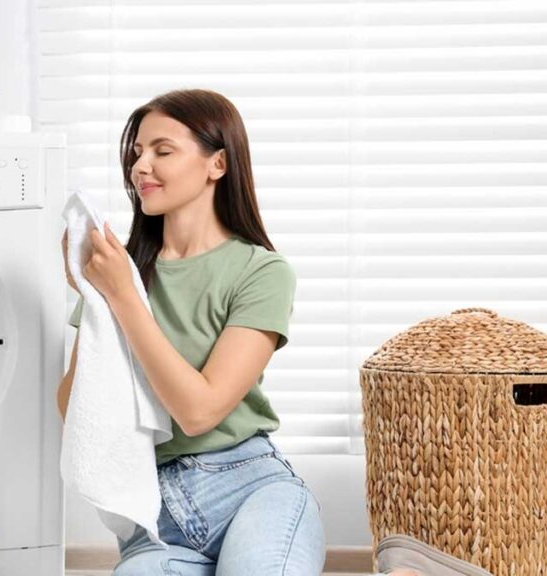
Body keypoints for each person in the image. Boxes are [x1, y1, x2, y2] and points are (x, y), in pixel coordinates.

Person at [58, 89, 419, 576]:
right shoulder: (118, 272)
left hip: (250, 492)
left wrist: (123, 298)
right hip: (156, 520)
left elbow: (200, 411)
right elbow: (76, 408)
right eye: (136, 153)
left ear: (218, 164)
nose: (141, 166)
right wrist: (97, 298)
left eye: (162, 151)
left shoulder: (261, 272)